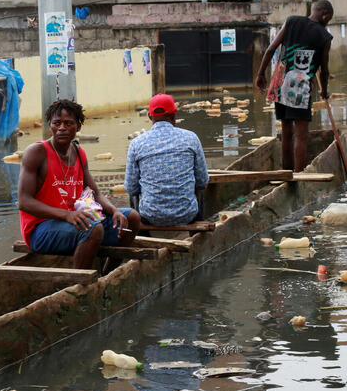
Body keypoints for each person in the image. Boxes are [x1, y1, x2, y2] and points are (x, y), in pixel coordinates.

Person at [18, 99, 141, 271]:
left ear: (78, 127)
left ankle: (108, 273)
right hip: (40, 230)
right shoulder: (37, 152)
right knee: (93, 229)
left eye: (68, 123)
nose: (61, 128)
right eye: (57, 123)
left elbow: (94, 193)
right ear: (50, 125)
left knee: (131, 218)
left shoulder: (78, 152)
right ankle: (79, 285)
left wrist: (114, 211)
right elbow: (24, 202)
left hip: (74, 221)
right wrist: (66, 215)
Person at [254, 0, 334, 172]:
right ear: (325, 15)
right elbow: (325, 70)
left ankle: (286, 172)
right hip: (300, 86)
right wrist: (324, 91)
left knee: (286, 132)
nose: (328, 23)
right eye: (329, 19)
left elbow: (270, 49)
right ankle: (298, 175)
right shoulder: (325, 36)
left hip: (280, 81)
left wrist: (260, 74)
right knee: (301, 135)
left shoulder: (292, 21)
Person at [125, 94, 208, 227]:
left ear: (149, 117)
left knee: (132, 192)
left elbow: (130, 187)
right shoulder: (191, 138)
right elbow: (203, 180)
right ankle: (197, 231)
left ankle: (142, 233)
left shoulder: (136, 144)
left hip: (150, 216)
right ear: (174, 116)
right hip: (187, 214)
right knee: (200, 187)